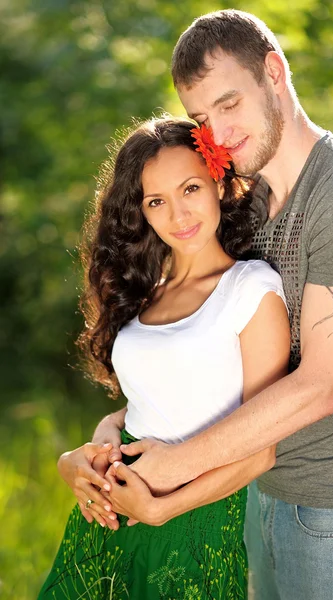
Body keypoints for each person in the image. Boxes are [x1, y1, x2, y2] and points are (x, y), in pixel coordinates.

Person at [67, 9, 333, 600]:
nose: (217, 133)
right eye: (201, 118)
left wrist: (174, 468)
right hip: (263, 498)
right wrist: (113, 433)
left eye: (230, 104)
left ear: (274, 72)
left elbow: (322, 386)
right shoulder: (258, 203)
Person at [38, 116, 290, 599]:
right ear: (142, 213)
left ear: (218, 181)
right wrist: (86, 451)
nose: (179, 214)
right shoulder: (147, 295)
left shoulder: (250, 289)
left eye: (190, 188)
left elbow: (262, 447)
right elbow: (152, 401)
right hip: (109, 520)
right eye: (157, 201)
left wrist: (162, 510)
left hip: (194, 521)